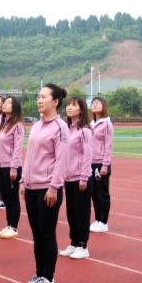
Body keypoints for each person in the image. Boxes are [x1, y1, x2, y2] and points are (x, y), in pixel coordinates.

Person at [19, 84, 69, 283]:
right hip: (31, 187)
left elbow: (61, 160)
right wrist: (23, 180)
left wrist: (54, 187)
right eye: (38, 97)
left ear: (55, 102)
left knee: (47, 234)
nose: (39, 100)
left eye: (43, 97)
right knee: (37, 235)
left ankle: (48, 279)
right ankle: (39, 274)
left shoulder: (60, 128)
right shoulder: (37, 126)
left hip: (47, 189)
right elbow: (29, 155)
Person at [60, 96, 93, 259]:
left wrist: (84, 177)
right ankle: (73, 242)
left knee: (81, 213)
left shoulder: (85, 130)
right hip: (68, 177)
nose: (69, 108)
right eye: (68, 105)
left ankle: (83, 245)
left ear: (81, 110)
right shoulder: (67, 130)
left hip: (80, 177)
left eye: (73, 105)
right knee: (71, 212)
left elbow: (88, 155)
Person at [0, 96, 24, 239]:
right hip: (1, 166)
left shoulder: (18, 126)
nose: (5, 104)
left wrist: (14, 167)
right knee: (5, 197)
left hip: (11, 166)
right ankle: (9, 224)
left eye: (9, 103)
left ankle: (14, 227)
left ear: (15, 107)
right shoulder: (3, 125)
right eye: (5, 102)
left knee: (12, 197)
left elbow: (17, 148)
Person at [89, 97, 113, 233]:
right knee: (94, 193)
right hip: (91, 163)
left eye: (98, 103)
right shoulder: (91, 123)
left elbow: (108, 145)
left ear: (104, 106)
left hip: (100, 163)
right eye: (93, 103)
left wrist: (105, 165)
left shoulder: (107, 124)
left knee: (102, 193)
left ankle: (103, 221)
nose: (95, 105)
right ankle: (98, 219)